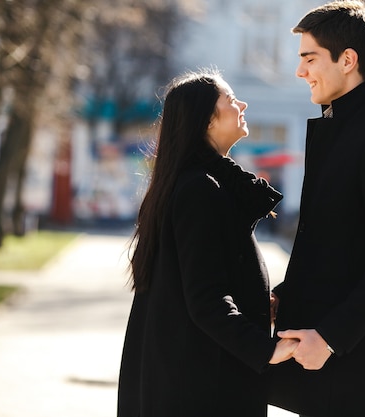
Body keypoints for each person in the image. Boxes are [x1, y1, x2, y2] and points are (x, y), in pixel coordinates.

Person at [268, 1, 365, 416]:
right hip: (332, 364)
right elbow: (337, 243)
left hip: (354, 369)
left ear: (348, 60)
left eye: (310, 58)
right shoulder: (346, 125)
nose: (301, 72)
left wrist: (331, 337)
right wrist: (286, 297)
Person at [117, 69, 298, 417]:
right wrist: (268, 349)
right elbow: (205, 299)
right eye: (230, 100)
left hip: (189, 377)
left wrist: (259, 300)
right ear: (205, 120)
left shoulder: (196, 183)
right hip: (198, 387)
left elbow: (201, 279)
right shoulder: (200, 189)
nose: (242, 104)